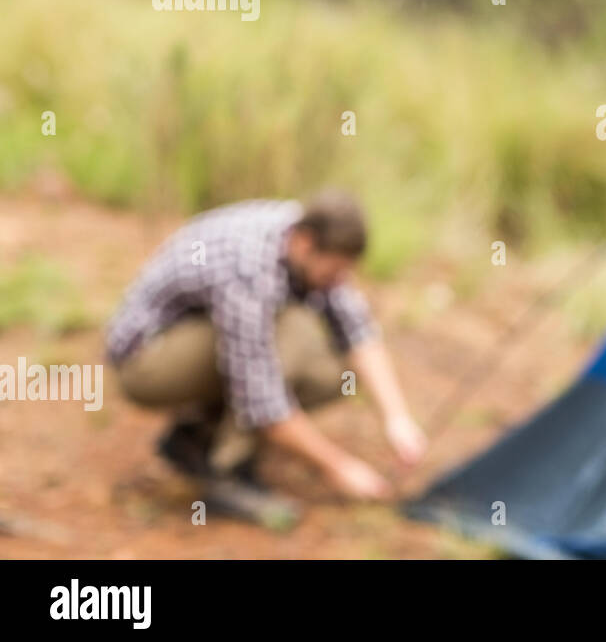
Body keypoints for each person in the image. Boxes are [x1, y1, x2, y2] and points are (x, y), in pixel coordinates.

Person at [104, 188, 428, 525]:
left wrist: (397, 419)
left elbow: (357, 331)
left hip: (198, 340)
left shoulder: (307, 240)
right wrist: (339, 466)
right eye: (332, 272)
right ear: (305, 244)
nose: (338, 282)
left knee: (331, 370)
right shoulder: (249, 269)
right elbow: (262, 400)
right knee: (292, 333)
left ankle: (197, 436)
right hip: (145, 362)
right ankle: (227, 473)